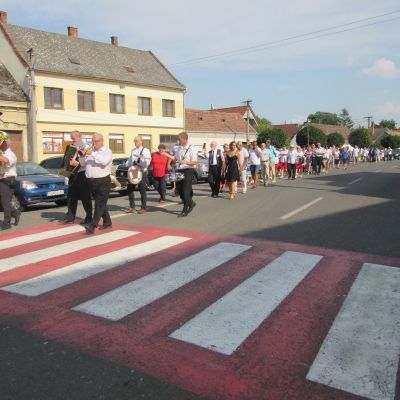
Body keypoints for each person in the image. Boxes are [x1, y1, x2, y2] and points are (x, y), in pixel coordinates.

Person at [80, 133, 113, 234]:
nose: (94, 143)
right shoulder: (91, 152)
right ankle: (107, 222)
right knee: (101, 203)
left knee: (99, 204)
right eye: (93, 141)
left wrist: (92, 154)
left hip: (103, 181)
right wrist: (82, 155)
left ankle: (92, 225)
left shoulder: (107, 151)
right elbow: (82, 164)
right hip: (91, 181)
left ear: (102, 141)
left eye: (97, 141)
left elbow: (103, 162)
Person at [62, 130, 92, 224]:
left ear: (79, 137)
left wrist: (77, 163)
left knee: (85, 197)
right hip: (73, 174)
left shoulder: (86, 147)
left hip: (83, 174)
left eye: (73, 138)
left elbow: (88, 163)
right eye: (71, 138)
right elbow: (67, 160)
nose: (72, 140)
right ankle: (70, 217)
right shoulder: (71, 147)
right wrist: (67, 166)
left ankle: (89, 217)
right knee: (71, 196)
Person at [125, 136, 151, 214]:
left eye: (136, 140)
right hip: (133, 171)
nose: (135, 142)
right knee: (129, 189)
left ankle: (143, 207)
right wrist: (127, 164)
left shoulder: (145, 150)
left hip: (142, 172)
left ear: (141, 141)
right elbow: (130, 160)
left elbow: (148, 161)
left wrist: (140, 160)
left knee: (142, 190)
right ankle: (132, 207)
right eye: (134, 140)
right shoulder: (133, 150)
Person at [0, 131, 21, 230]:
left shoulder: (10, 154)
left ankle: (6, 223)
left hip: (8, 180)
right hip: (2, 179)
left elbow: (5, 161)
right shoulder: (2, 153)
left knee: (5, 202)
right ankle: (16, 213)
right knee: (4, 201)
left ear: (5, 143)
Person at [174, 132, 197, 217]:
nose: (178, 141)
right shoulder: (179, 148)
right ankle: (190, 203)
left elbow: (195, 162)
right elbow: (176, 158)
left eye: (179, 139)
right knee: (179, 190)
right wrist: (168, 157)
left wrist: (185, 162)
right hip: (180, 170)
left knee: (185, 190)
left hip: (188, 170)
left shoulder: (192, 148)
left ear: (184, 139)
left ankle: (185, 210)